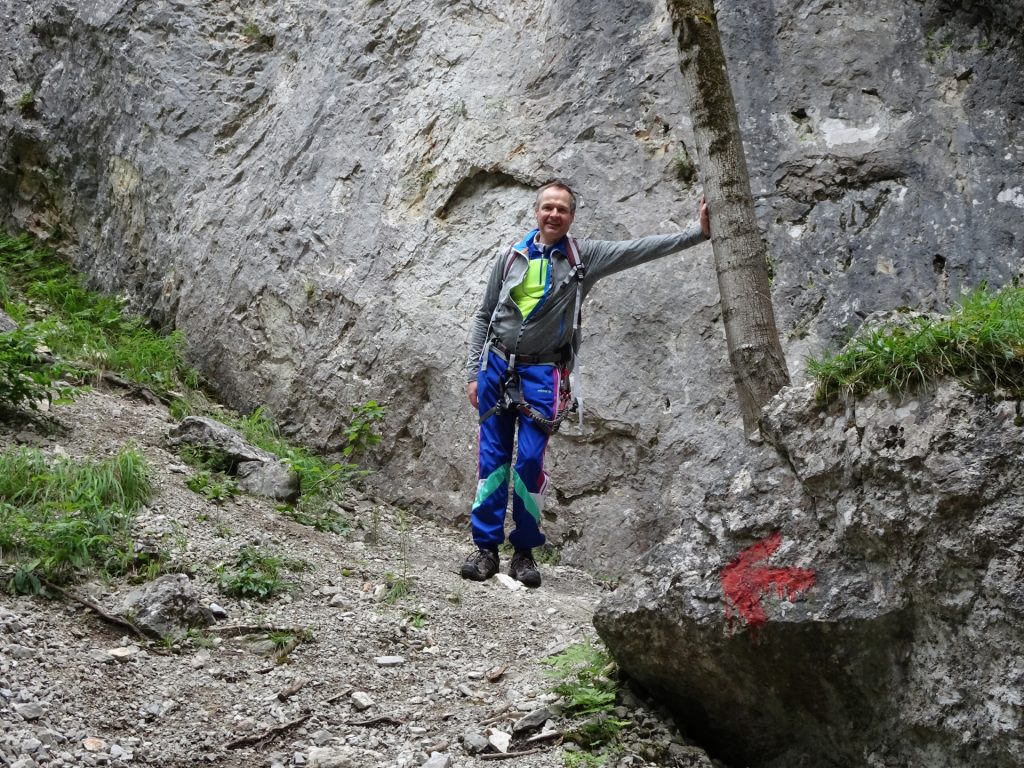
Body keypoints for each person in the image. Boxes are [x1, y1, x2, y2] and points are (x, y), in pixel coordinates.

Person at [462, 180, 710, 587]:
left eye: (562, 209)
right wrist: (473, 372)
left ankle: (523, 552)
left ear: (571, 216)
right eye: (548, 208)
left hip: (543, 375)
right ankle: (485, 549)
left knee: (528, 462)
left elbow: (639, 249)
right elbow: (483, 316)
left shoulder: (585, 258)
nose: (554, 215)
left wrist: (697, 234)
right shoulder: (510, 257)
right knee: (492, 461)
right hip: (496, 369)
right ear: (536, 212)